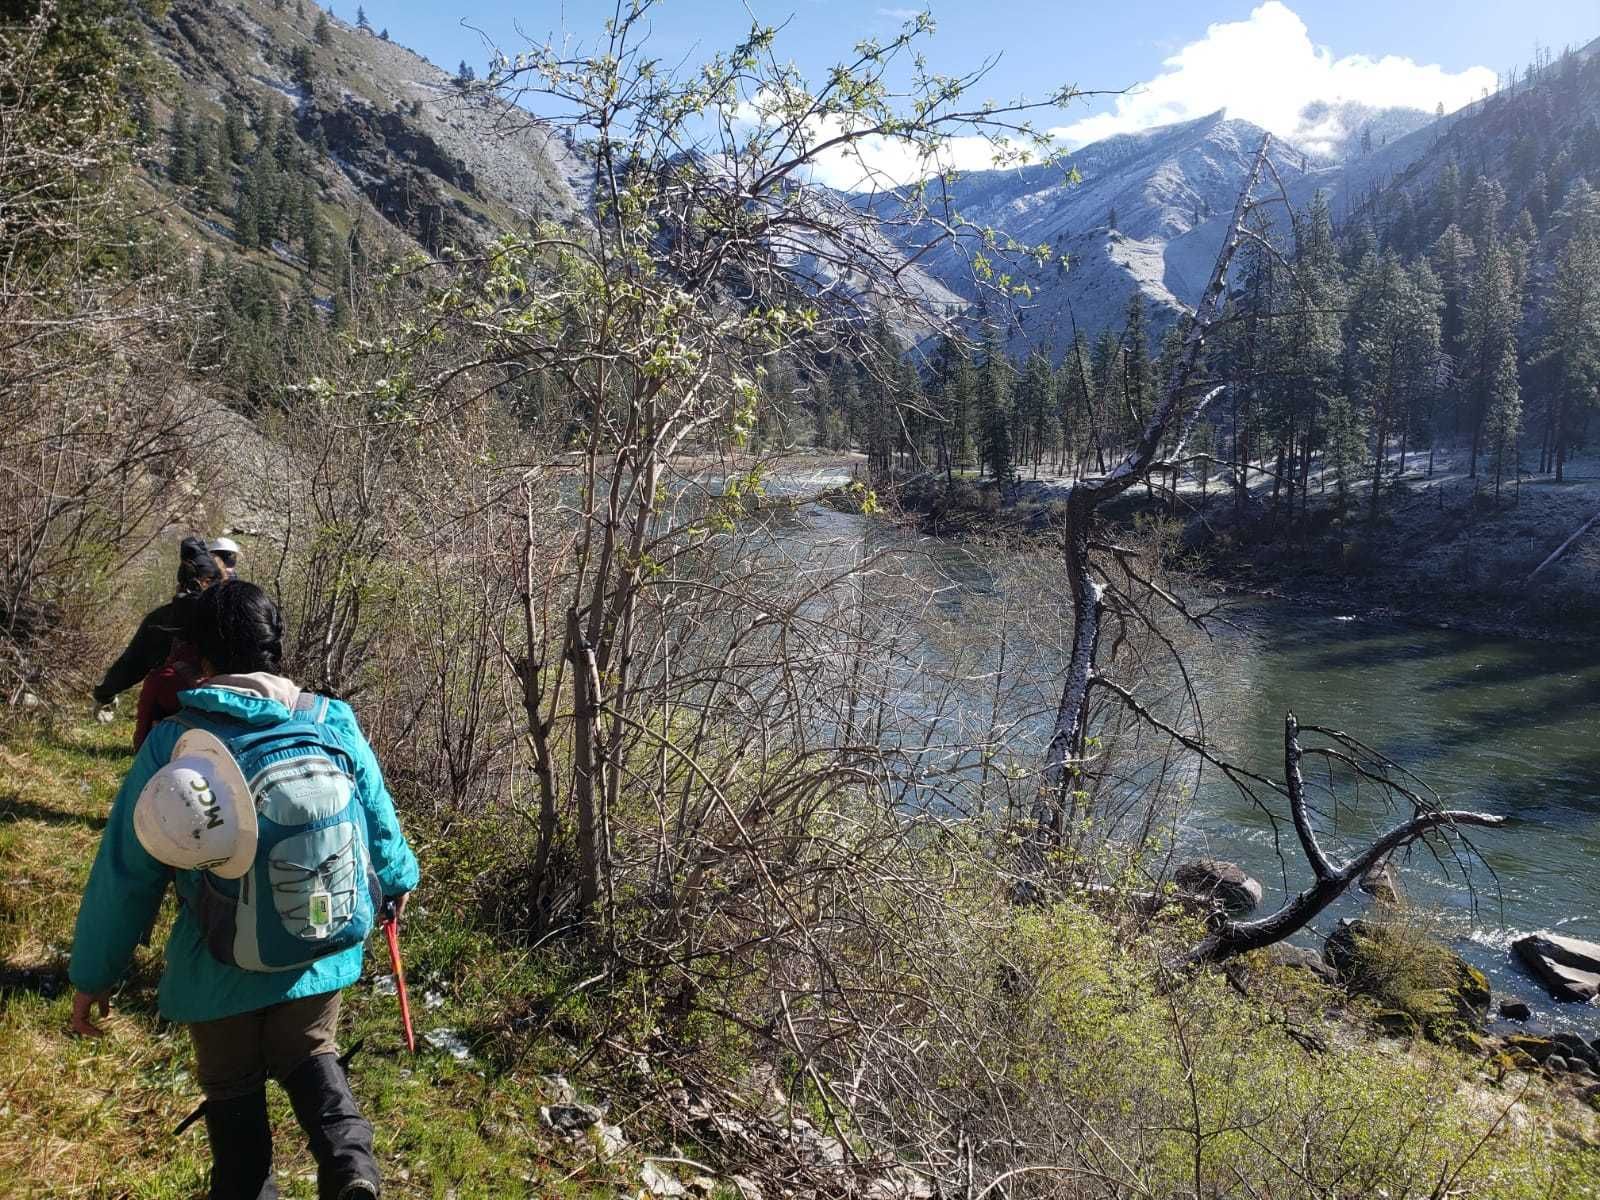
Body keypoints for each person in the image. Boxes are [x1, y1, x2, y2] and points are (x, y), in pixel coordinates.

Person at [68, 580, 419, 1200]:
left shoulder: (175, 743)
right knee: (312, 1055)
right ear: (273, 647)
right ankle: (352, 1171)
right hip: (320, 946)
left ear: (198, 655)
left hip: (217, 963)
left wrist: (95, 975)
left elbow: (128, 871)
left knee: (235, 1102)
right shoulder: (331, 720)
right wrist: (395, 883)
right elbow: (379, 825)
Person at [93, 536, 224, 711]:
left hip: (168, 715)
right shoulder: (230, 617)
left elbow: (131, 665)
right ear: (215, 582)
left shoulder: (161, 618)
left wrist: (104, 694)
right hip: (223, 712)